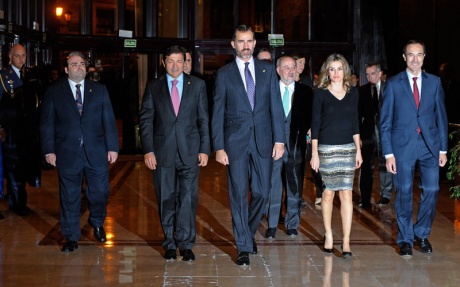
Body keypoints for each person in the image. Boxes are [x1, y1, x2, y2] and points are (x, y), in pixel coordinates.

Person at [211, 24, 285, 266]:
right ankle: (243, 245)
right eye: (240, 41)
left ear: (254, 43)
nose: (245, 45)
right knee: (239, 193)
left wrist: (280, 139)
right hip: (236, 143)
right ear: (233, 44)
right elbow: (218, 113)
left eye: (249, 41)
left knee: (263, 192)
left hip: (264, 140)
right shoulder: (224, 74)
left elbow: (276, 107)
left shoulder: (267, 71)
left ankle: (247, 231)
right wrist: (219, 146)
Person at [40, 51, 119, 253]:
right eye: (74, 64)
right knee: (69, 196)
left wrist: (112, 147)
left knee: (100, 192)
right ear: (66, 69)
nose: (79, 67)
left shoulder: (99, 90)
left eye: (82, 64)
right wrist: (49, 150)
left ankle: (97, 222)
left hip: (96, 151)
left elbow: (108, 120)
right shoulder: (54, 91)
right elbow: (47, 123)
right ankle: (71, 236)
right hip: (67, 152)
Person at [139, 45, 210, 261]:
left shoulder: (197, 85)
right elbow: (146, 121)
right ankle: (169, 242)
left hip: (189, 152)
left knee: (188, 199)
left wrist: (205, 149)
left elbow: (203, 119)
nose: (175, 65)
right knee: (166, 199)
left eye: (180, 61)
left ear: (185, 62)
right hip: (162, 153)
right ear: (164, 62)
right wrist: (148, 150)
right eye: (171, 61)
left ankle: (186, 244)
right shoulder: (154, 87)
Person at [380, 40, 448, 256]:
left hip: (430, 146)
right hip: (402, 148)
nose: (415, 59)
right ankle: (406, 239)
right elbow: (385, 122)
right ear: (404, 57)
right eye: (411, 55)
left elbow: (441, 118)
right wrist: (389, 153)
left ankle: (421, 232)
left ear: (424, 57)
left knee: (432, 189)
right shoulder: (393, 84)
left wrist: (443, 149)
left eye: (419, 55)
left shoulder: (435, 82)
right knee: (404, 192)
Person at [310, 53, 362, 259]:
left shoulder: (353, 93)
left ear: (345, 71)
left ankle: (346, 240)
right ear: (327, 72)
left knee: (346, 194)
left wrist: (358, 149)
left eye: (339, 68)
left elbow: (355, 122)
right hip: (326, 148)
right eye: (332, 69)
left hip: (348, 148)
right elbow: (315, 123)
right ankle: (329, 235)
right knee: (328, 193)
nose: (336, 73)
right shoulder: (320, 94)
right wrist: (314, 153)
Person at [265, 56, 313, 239]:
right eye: (286, 67)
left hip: (296, 147)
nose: (291, 71)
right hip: (273, 147)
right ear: (278, 70)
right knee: (273, 186)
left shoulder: (306, 92)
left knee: (294, 186)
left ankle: (292, 224)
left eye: (293, 67)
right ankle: (271, 224)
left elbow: (312, 117)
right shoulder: (269, 91)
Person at [0, 44, 41, 217]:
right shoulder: (3, 77)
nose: (21, 59)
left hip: (27, 132)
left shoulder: (29, 77)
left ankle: (19, 200)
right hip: (10, 132)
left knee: (24, 167)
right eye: (18, 56)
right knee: (14, 168)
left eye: (24, 55)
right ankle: (17, 203)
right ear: (10, 56)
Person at [358, 62, 393, 207]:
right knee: (367, 165)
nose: (369, 76)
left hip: (386, 132)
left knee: (385, 163)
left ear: (379, 74)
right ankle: (365, 198)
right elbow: (357, 114)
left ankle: (386, 194)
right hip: (368, 133)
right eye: (367, 74)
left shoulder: (389, 88)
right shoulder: (361, 90)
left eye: (372, 73)